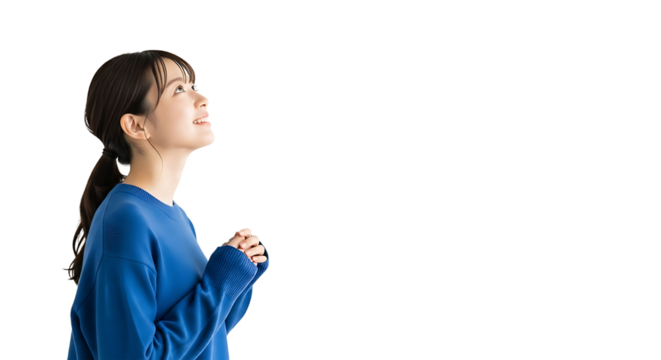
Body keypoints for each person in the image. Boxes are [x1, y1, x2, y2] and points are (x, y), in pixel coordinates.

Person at [64, 48, 269, 359]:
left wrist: (238, 275)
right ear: (136, 126)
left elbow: (205, 337)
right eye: (178, 89)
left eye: (194, 86)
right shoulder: (126, 222)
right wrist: (218, 284)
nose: (202, 99)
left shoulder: (175, 215)